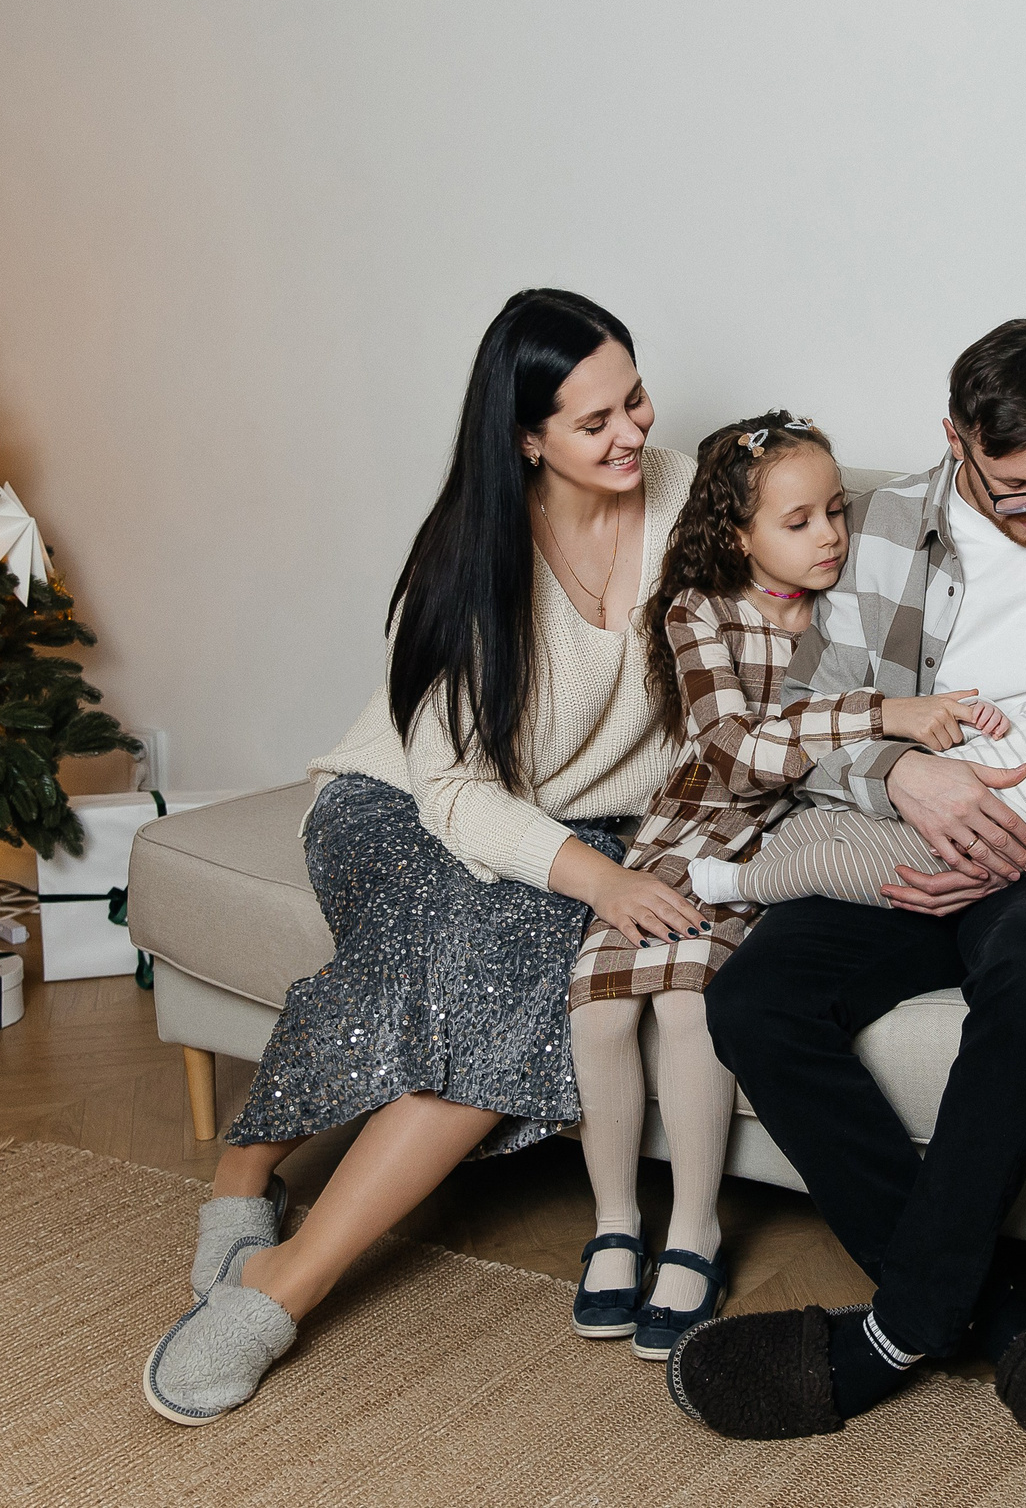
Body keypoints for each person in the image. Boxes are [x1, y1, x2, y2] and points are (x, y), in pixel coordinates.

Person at [142, 289, 710, 1426]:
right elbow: (451, 791)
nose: (632, 433)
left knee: (504, 966)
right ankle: (273, 1247)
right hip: (402, 805)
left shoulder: (691, 499)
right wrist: (598, 877)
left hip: (575, 831)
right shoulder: (465, 564)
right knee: (468, 952)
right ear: (527, 439)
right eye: (594, 421)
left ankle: (264, 1227)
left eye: (636, 399)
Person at [670, 318, 1026, 1450]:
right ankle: (1001, 1324)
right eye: (1019, 490)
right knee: (755, 1001)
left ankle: (896, 1333)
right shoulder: (881, 528)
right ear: (955, 440)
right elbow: (810, 718)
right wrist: (901, 774)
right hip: (910, 843)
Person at [568, 412, 978, 1362]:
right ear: (739, 534)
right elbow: (732, 748)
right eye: (799, 521)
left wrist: (887, 721)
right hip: (692, 822)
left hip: (790, 837)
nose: (830, 535)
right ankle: (615, 1220)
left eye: (837, 510)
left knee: (689, 1003)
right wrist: (883, 712)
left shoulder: (854, 600)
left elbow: (816, 773)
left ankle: (694, 1229)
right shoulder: (698, 611)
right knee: (599, 1004)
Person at [685, 647, 1026, 909]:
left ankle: (743, 883)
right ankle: (770, 862)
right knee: (814, 825)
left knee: (829, 863)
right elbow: (964, 731)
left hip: (939, 853)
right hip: (906, 808)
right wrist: (981, 715)